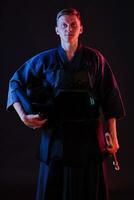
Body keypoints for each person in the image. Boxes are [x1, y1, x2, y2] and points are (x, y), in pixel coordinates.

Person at [6, 8, 125, 200]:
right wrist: (23, 116)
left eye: (73, 25)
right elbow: (15, 82)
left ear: (81, 29)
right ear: (56, 30)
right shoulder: (44, 60)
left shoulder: (95, 59)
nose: (68, 29)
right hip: (56, 138)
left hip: (88, 140)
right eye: (64, 25)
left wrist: (113, 136)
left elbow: (110, 97)